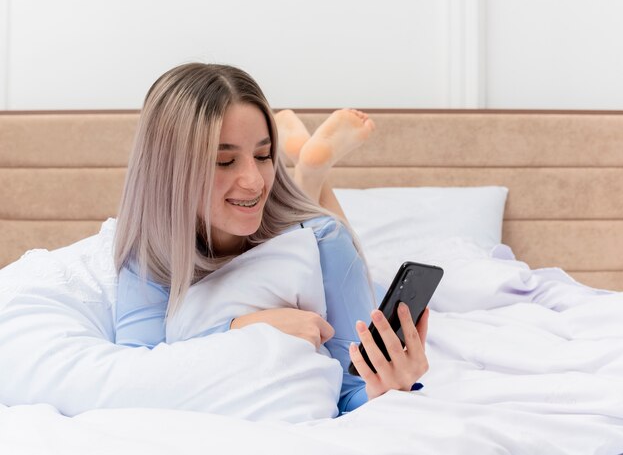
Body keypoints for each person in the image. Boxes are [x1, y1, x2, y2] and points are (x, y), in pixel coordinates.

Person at [114, 62, 429, 414]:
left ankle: (310, 174)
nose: (255, 180)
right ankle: (310, 174)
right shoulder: (149, 258)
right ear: (169, 168)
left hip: (328, 247)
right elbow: (135, 380)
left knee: (338, 237)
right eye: (224, 161)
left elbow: (350, 390)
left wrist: (386, 388)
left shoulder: (326, 242)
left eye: (264, 155)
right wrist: (246, 327)